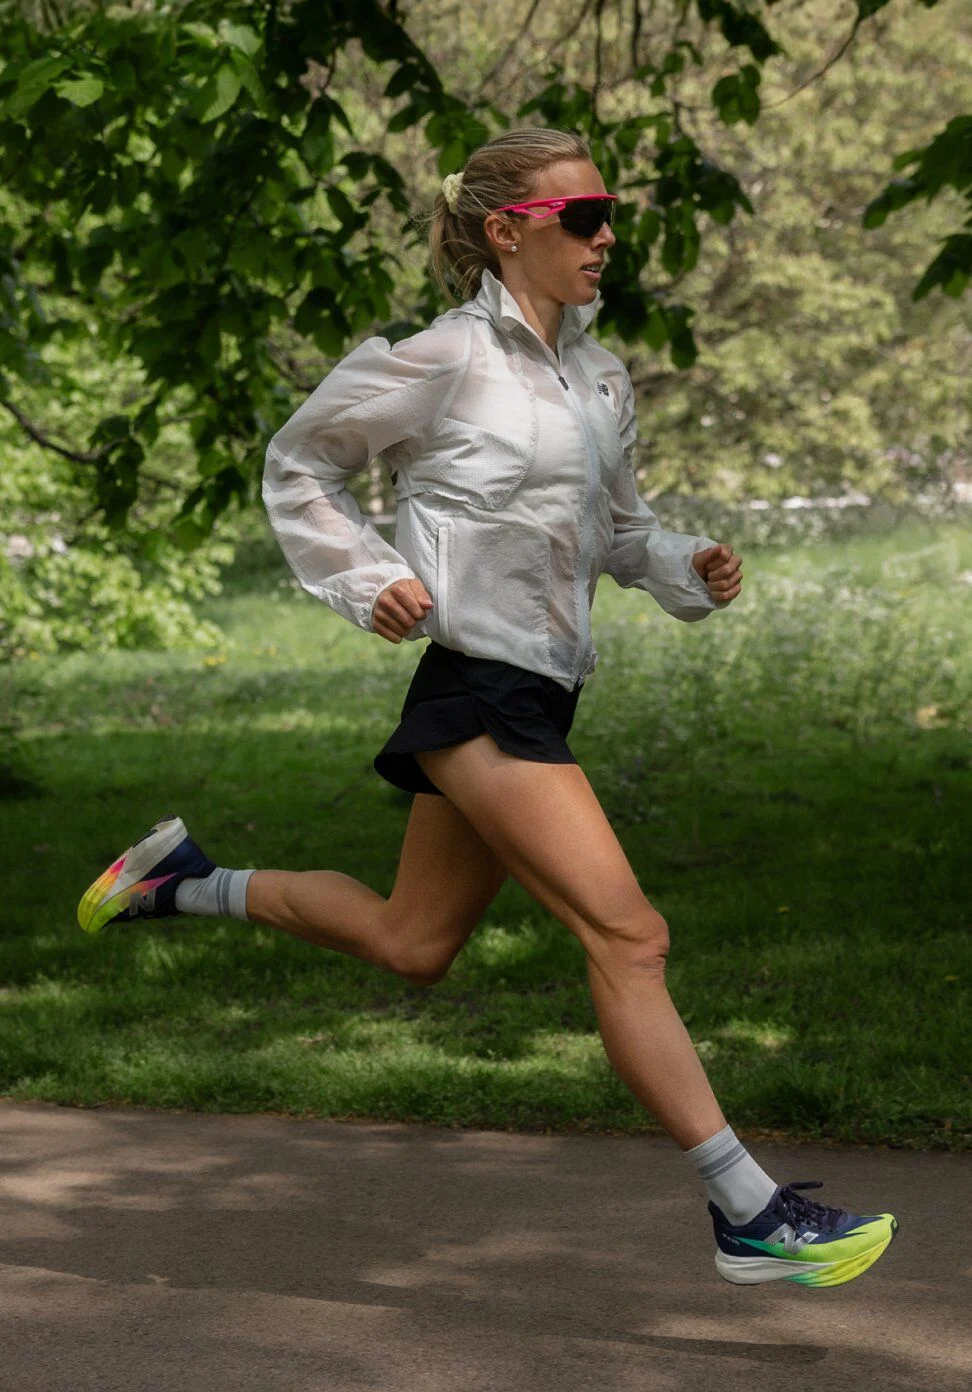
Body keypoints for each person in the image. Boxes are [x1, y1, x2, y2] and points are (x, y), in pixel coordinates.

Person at [78, 127, 897, 1289]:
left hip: (539, 690)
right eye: (583, 216)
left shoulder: (600, 377)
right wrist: (370, 578)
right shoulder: (443, 357)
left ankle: (180, 881)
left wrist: (686, 564)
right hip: (476, 686)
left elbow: (615, 529)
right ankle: (749, 1210)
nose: (606, 235)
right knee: (631, 935)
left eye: (610, 216)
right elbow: (299, 463)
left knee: (414, 944)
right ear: (509, 230)